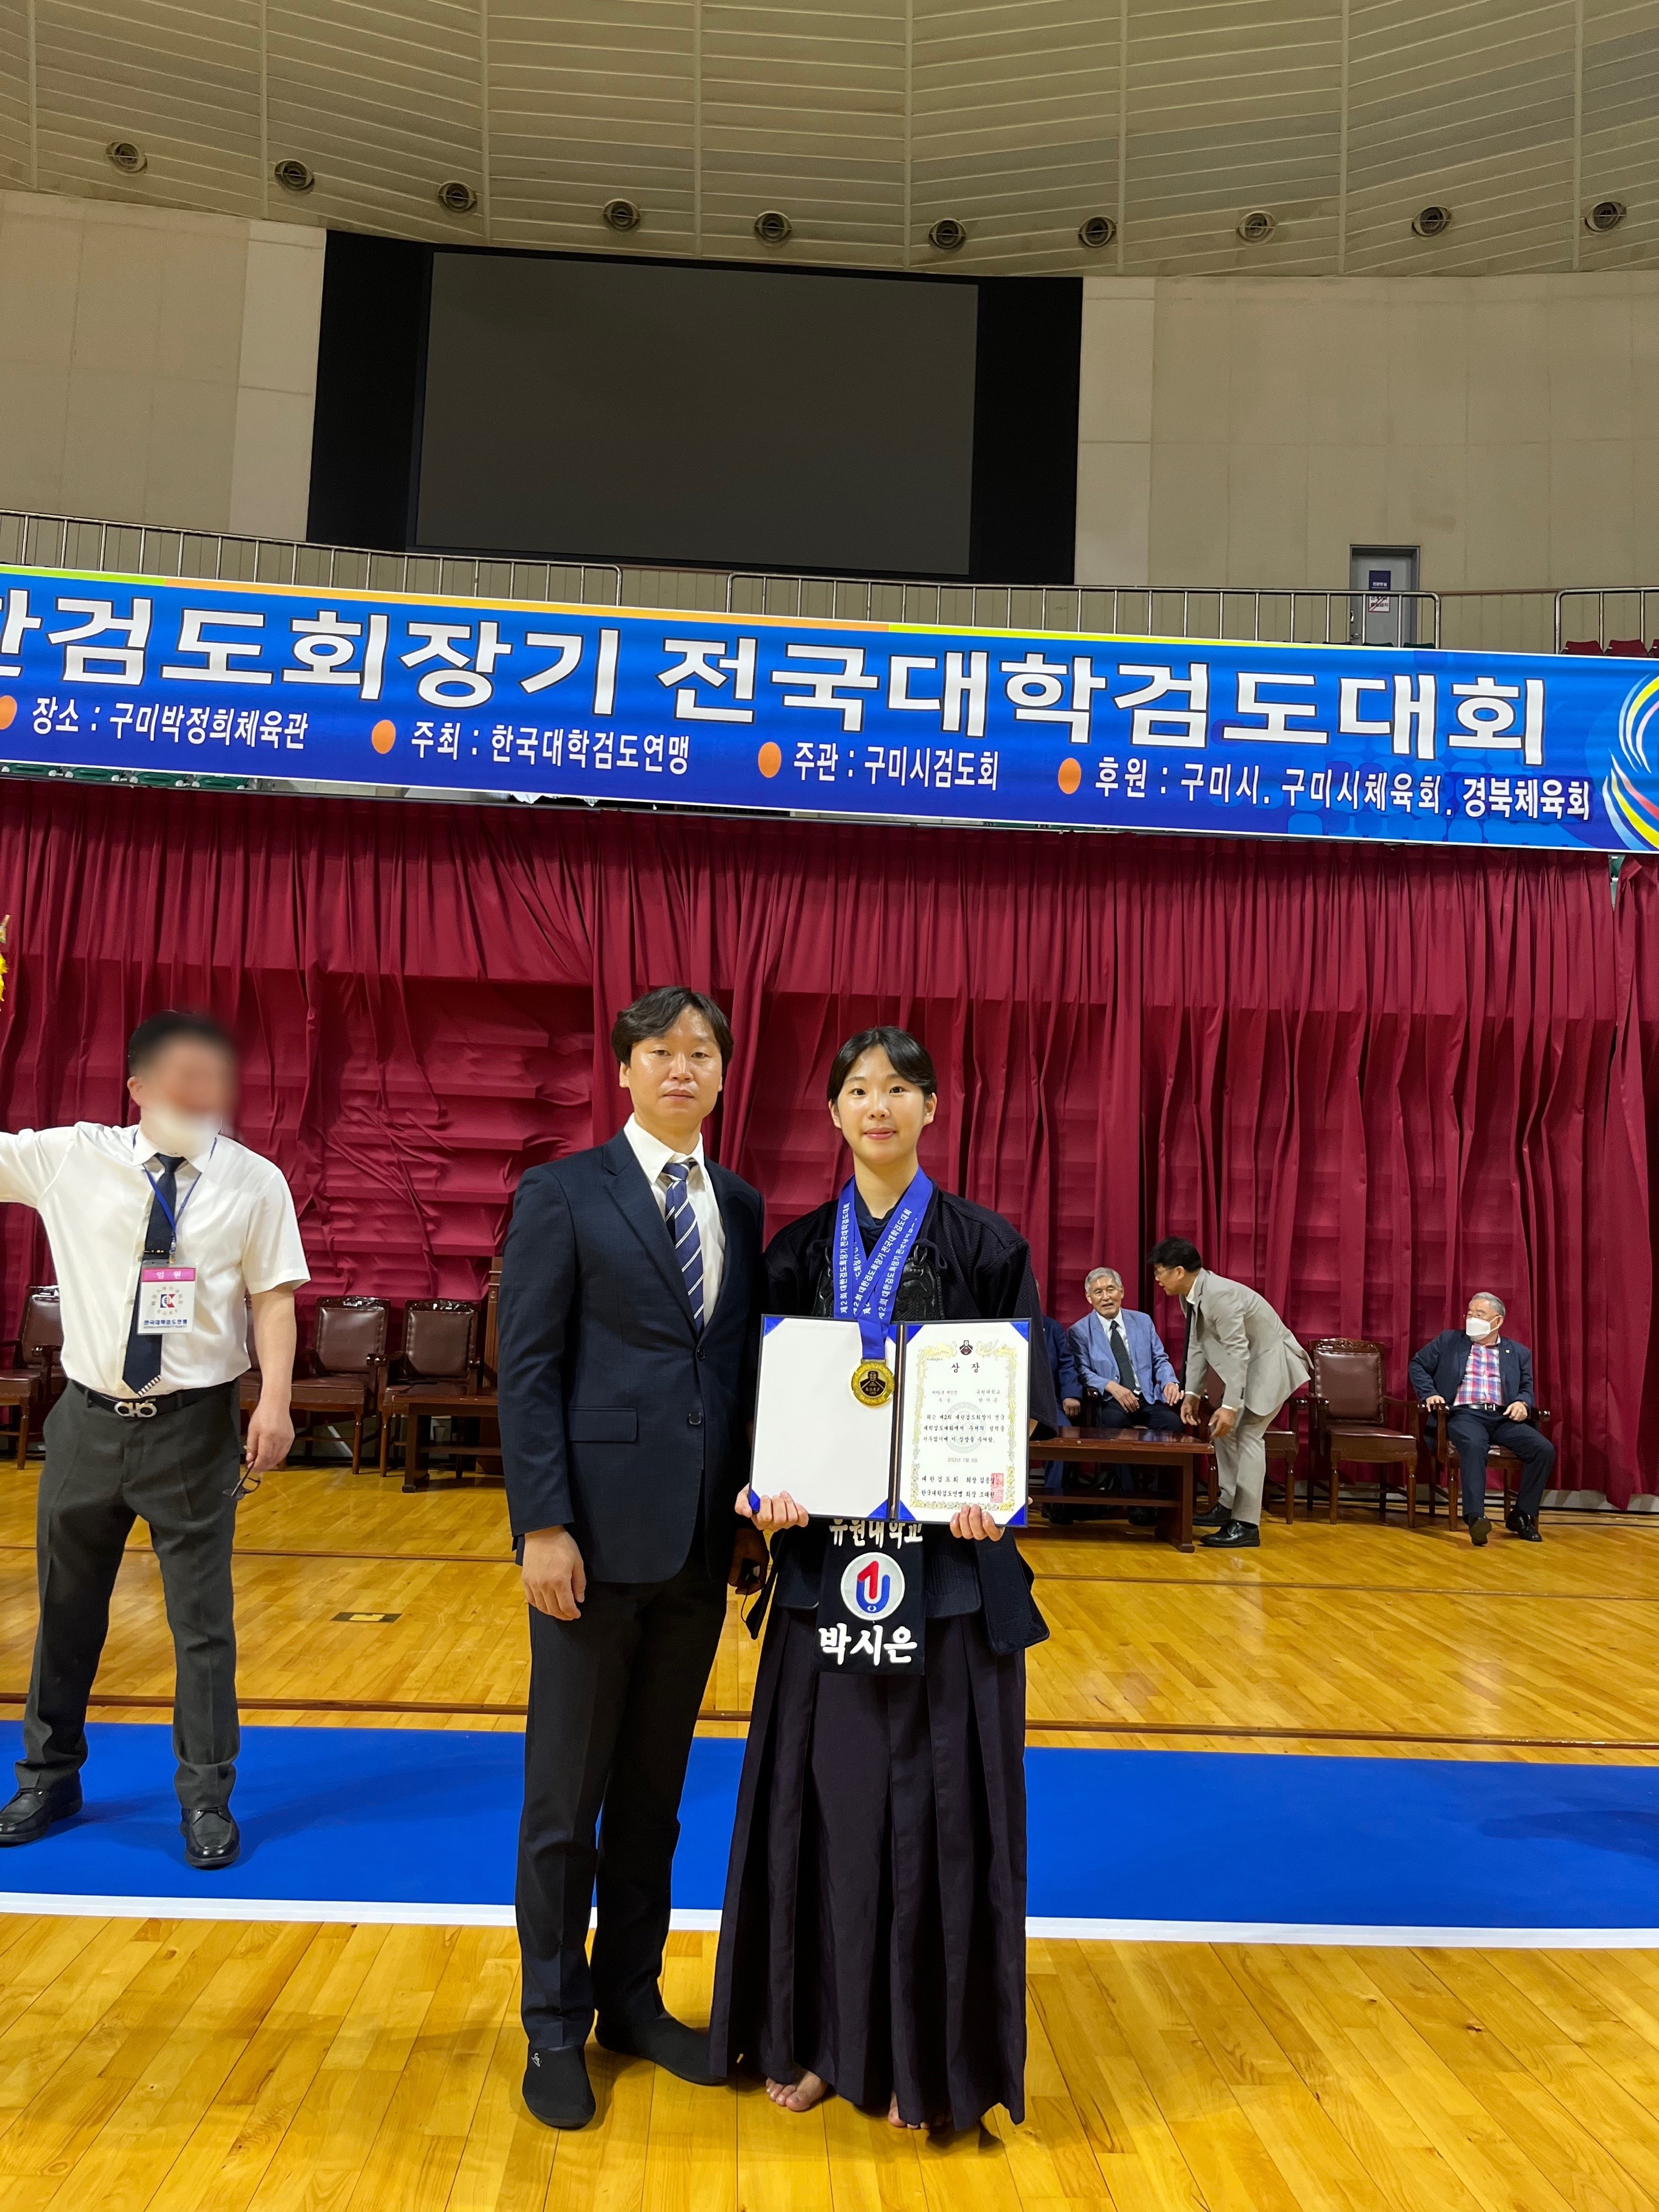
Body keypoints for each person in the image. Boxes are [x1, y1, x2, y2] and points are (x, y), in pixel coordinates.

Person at [710, 1025, 1057, 2135]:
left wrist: (993, 1493)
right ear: (833, 1114)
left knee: (938, 1812)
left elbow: (1012, 1414)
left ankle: (923, 2055)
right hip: (827, 1567)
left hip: (949, 1573)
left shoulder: (990, 1245)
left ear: (933, 1109)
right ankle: (820, 2042)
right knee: (828, 1809)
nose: (879, 1105)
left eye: (899, 1088)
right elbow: (766, 1410)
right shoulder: (797, 1252)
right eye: (859, 1089)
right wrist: (765, 1496)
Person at [496, 985, 765, 2131]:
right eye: (661, 1052)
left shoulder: (741, 1206)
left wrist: (750, 1508)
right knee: (567, 1799)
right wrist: (542, 1523)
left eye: (701, 1054)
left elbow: (739, 1374)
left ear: (719, 1074)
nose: (682, 1070)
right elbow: (529, 1368)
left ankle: (632, 2002)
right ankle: (552, 2028)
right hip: (590, 1545)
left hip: (701, 1547)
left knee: (655, 1798)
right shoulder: (563, 1192)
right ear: (624, 1070)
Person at [0, 1011, 307, 1870]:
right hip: (89, 1421)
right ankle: (47, 1778)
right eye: (179, 1072)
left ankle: (206, 1798)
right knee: (66, 1612)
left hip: (195, 1429)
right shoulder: (68, 1157)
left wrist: (274, 1401)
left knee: (202, 1626)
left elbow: (273, 1298)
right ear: (136, 1087)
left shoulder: (255, 1180)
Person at [1148, 1236, 1310, 1551]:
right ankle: (1228, 1505)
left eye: (1160, 1271)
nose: (1157, 1279)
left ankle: (1247, 1525)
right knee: (1223, 1432)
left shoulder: (1219, 1295)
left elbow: (1238, 1352)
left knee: (1248, 1434)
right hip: (1251, 1367)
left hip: (1271, 1365)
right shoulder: (1192, 1294)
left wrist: (1231, 1405)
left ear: (1179, 1272)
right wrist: (1192, 1392)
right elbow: (1197, 1345)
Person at [1409, 1293, 1554, 1546]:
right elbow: (1418, 1365)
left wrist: (1522, 1402)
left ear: (1497, 1321)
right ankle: (1476, 1517)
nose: (1471, 1318)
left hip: (1503, 1416)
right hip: (1465, 1414)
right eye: (1470, 1313)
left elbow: (1527, 1389)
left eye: (1480, 1315)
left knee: (1543, 1449)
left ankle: (1521, 1515)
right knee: (1475, 1446)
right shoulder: (1450, 1341)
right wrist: (1430, 1394)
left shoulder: (1518, 1352)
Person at [1062, 1265, 1184, 1525]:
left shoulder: (1142, 1321)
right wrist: (1112, 1386)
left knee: (1173, 1426)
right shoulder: (1079, 1331)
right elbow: (1081, 1371)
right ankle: (1133, 1499)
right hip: (1110, 1401)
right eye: (1098, 1292)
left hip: (1147, 1397)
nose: (1106, 1297)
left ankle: (1162, 1499)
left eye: (1110, 1290)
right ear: (1089, 1298)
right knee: (1115, 1426)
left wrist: (1169, 1381)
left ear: (1122, 1292)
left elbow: (1160, 1359)